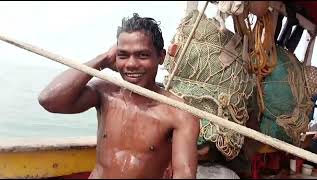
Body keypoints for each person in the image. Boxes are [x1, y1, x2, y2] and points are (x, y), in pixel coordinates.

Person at [38, 13, 200, 179]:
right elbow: (49, 100)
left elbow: (185, 174)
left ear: (160, 57)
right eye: (123, 55)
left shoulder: (179, 113)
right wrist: (103, 59)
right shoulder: (105, 93)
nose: (131, 64)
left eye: (142, 55)